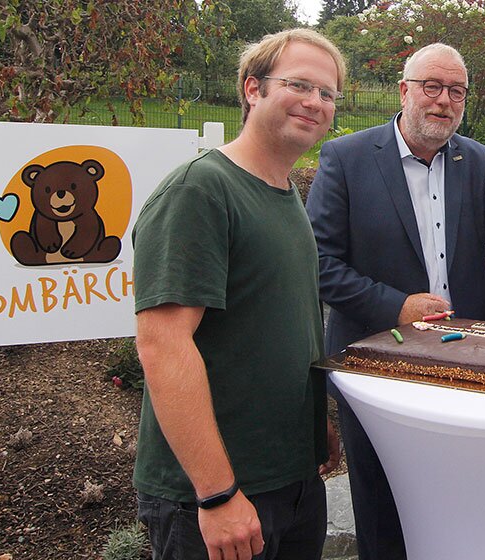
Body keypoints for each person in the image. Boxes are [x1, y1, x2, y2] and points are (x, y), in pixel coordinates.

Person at [306, 43, 485, 559]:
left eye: (456, 91)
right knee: (382, 504)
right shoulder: (346, 158)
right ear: (404, 90)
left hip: (463, 359)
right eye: (432, 87)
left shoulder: (472, 158)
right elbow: (321, 265)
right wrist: (397, 307)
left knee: (460, 494)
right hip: (375, 362)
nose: (444, 101)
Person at [131, 29, 346, 560]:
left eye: (328, 93)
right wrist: (216, 493)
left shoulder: (285, 193)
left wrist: (313, 422)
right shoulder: (200, 191)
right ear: (253, 89)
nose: (316, 102)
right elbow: (163, 345)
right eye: (300, 84)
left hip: (291, 481)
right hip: (219, 497)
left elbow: (278, 325)